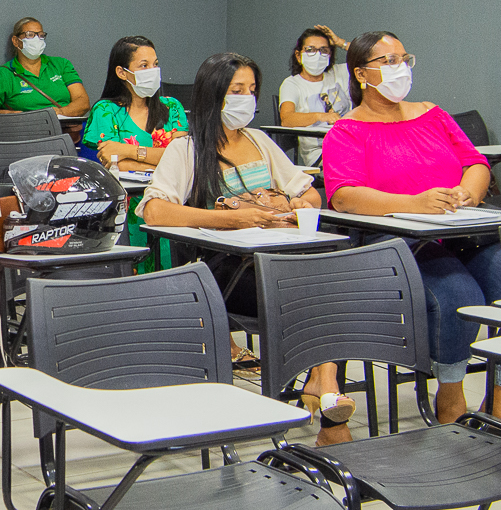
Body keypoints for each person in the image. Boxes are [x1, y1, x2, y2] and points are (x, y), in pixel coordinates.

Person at [138, 54, 354, 445]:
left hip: (283, 259)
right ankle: (327, 394)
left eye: (252, 91)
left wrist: (293, 206)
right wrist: (231, 219)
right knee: (316, 293)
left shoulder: (260, 141)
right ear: (213, 96)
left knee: (330, 283)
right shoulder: (187, 149)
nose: (247, 99)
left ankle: (324, 382)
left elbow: (310, 193)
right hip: (224, 269)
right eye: (237, 91)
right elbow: (154, 210)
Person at [322, 31, 501, 425]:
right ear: (361, 74)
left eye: (404, 58)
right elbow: (344, 196)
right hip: (398, 243)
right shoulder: (347, 130)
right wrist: (414, 204)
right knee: (458, 294)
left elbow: (475, 163)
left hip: (458, 230)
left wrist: (467, 194)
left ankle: (500, 398)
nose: (400, 68)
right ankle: (451, 397)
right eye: (388, 62)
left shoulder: (433, 114)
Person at [83, 35, 188, 252]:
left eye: (155, 64)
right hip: (125, 206)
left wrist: (128, 150)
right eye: (144, 65)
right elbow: (118, 167)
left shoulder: (173, 107)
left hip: (172, 201)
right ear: (122, 72)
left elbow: (184, 159)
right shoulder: (106, 110)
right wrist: (164, 161)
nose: (153, 70)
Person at [0, 17, 91, 117]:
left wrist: (60, 112)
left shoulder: (61, 64)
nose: (37, 40)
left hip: (63, 130)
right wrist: (10, 115)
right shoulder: (4, 73)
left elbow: (83, 101)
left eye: (41, 35)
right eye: (30, 35)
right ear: (16, 41)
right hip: (26, 133)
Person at [275, 25, 351, 167]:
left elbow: (369, 57)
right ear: (298, 55)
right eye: (310, 50)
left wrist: (341, 43)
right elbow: (287, 119)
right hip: (320, 153)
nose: (317, 55)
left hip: (350, 145)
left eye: (323, 50)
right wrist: (321, 116)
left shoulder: (339, 73)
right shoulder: (292, 84)